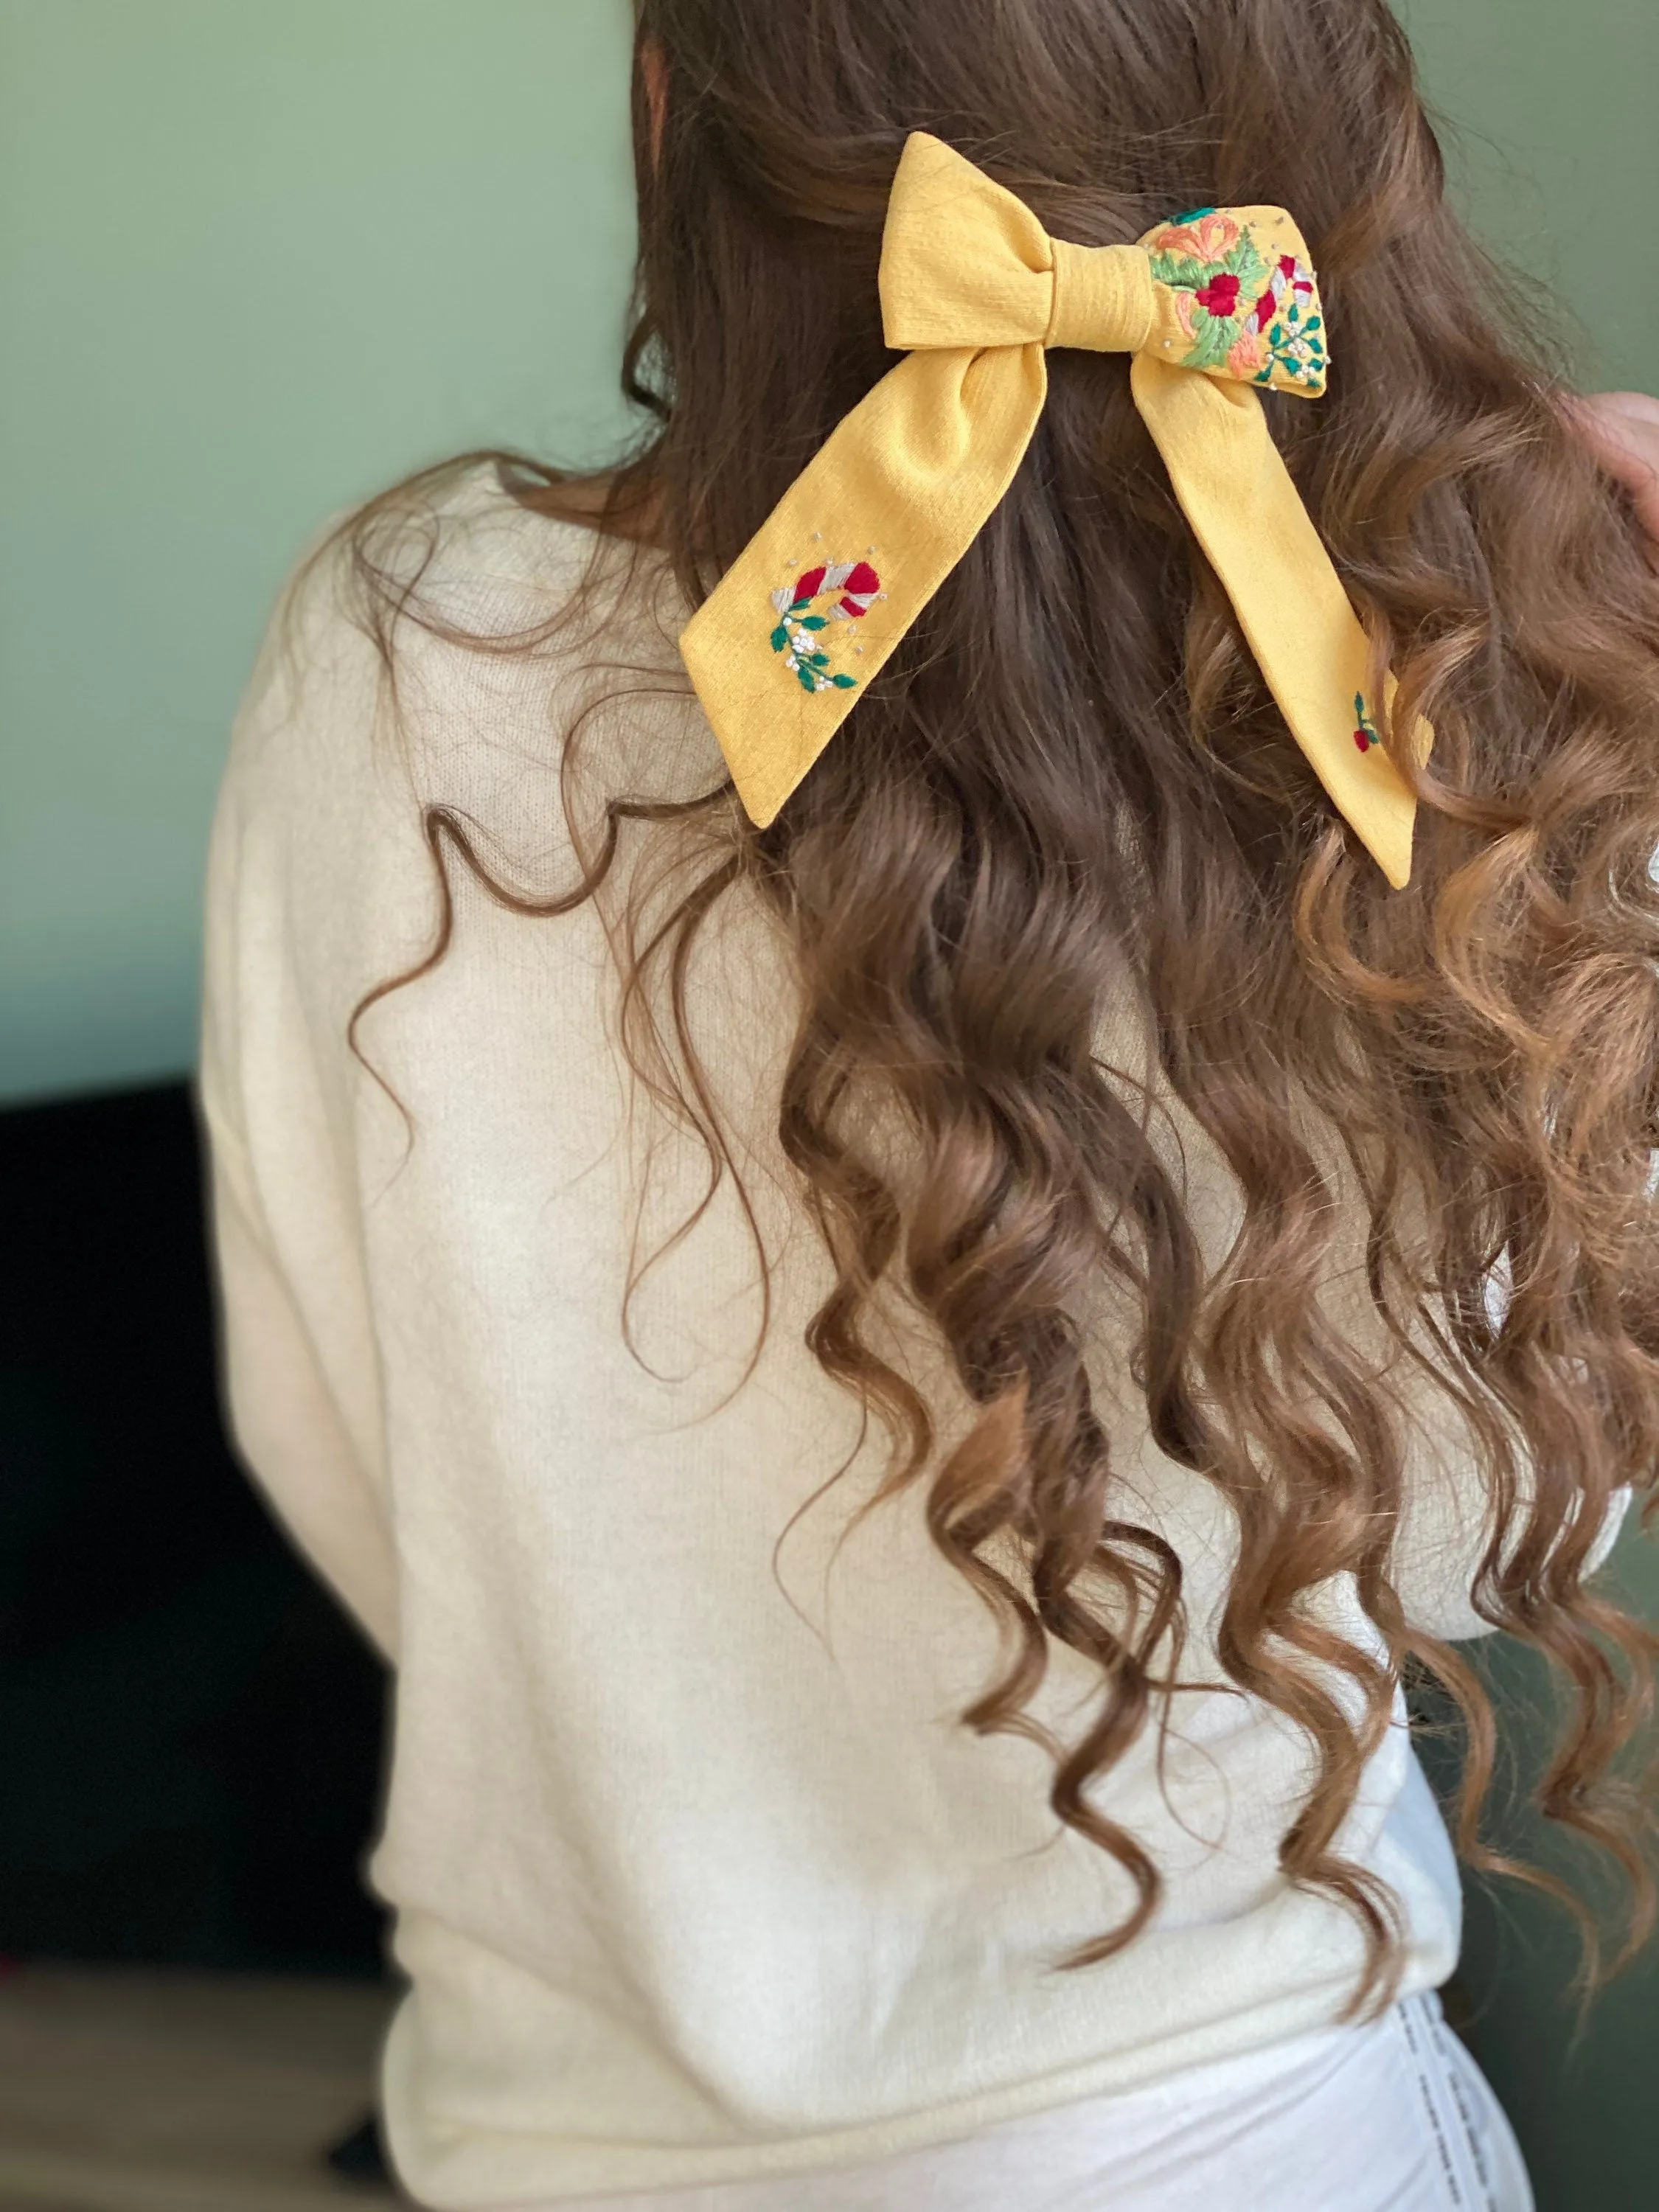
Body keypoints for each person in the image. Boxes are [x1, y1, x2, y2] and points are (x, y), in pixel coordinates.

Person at [199, 4, 1659, 2208]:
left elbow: (333, 1449)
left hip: (565, 2149)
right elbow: (1475, 1523)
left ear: (684, 112)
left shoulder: (404, 661)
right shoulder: (1403, 706)